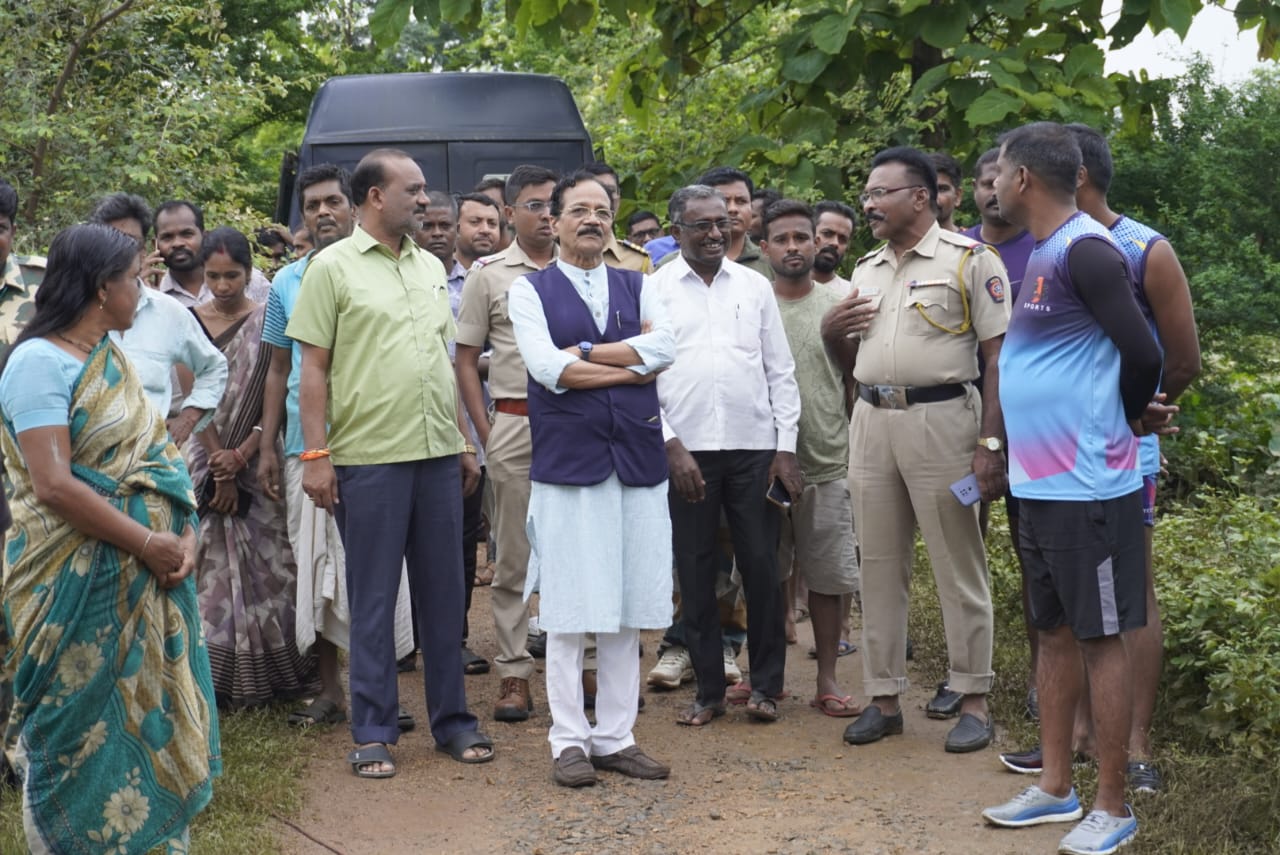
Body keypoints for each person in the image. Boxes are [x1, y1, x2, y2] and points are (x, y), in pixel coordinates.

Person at [980, 121, 1169, 855]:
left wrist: (1123, 416)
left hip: (1088, 483)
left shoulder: (1086, 249)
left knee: (1098, 637)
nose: (990, 184)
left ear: (1023, 179)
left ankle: (1112, 802)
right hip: (1041, 482)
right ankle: (1055, 786)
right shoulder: (1041, 255)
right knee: (1055, 631)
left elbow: (1145, 350)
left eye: (997, 172)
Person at [0, 223, 220, 853]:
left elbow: (160, 463)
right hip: (64, 581)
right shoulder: (37, 364)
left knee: (142, 713)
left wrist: (184, 540)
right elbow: (54, 485)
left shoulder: (110, 359)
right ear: (102, 290)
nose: (143, 289)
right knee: (72, 725)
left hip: (145, 577)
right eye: (133, 278)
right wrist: (147, 544)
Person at [289, 148, 492, 777]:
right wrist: (316, 456)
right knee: (373, 600)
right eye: (415, 189)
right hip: (368, 461)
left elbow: (440, 362)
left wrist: (462, 441)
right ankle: (373, 730)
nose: (426, 199)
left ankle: (453, 723)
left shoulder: (431, 267)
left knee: (443, 596)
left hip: (436, 455)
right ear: (376, 196)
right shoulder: (332, 268)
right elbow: (312, 369)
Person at [821, 146, 1010, 753]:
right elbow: (856, 355)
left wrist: (991, 442)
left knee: (958, 561)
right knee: (876, 563)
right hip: (872, 420)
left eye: (881, 193)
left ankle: (973, 698)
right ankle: (883, 698)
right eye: (868, 194)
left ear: (921, 198)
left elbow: (997, 359)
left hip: (943, 421)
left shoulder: (972, 261)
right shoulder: (868, 267)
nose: (869, 204)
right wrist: (833, 339)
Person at [508, 172, 676, 786]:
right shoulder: (529, 291)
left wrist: (585, 354)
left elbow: (667, 351)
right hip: (571, 466)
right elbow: (548, 369)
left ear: (612, 221)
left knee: (628, 601)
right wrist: (629, 366)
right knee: (571, 603)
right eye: (579, 209)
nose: (592, 220)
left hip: (635, 461)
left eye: (601, 211)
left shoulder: (640, 282)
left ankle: (616, 736)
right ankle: (568, 741)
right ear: (554, 220)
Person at [257, 164, 415, 727]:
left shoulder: (388, 268)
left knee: (378, 576)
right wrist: (270, 445)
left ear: (353, 207)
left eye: (331, 203)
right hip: (308, 447)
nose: (322, 213)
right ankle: (331, 692)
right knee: (316, 573)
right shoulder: (285, 283)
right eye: (311, 206)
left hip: (376, 445)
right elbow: (279, 368)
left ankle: (383, 697)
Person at [652, 184, 801, 727]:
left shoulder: (755, 286)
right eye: (702, 225)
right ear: (676, 231)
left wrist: (785, 450)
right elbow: (644, 376)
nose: (717, 233)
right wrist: (669, 443)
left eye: (723, 223)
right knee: (693, 570)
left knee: (760, 566)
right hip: (686, 452)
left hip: (754, 449)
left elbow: (779, 371)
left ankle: (766, 686)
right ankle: (709, 691)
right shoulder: (655, 289)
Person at [185, 227, 319, 708]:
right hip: (202, 457)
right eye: (214, 276)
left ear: (250, 273)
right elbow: (190, 398)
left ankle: (278, 676)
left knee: (273, 560)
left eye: (233, 276)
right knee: (204, 564)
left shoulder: (267, 320)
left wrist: (243, 455)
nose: (223, 287)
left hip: (258, 452)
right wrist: (220, 464)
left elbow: (276, 393)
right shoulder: (187, 320)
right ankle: (211, 681)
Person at [456, 164, 559, 722]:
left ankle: (582, 665)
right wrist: (486, 431)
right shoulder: (490, 275)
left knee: (574, 546)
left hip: (577, 425)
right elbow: (465, 361)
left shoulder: (582, 268)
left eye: (553, 204)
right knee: (513, 554)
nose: (547, 214)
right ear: (511, 213)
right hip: (516, 423)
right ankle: (515, 673)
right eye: (536, 205)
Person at [760, 199, 861, 717]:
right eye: (783, 239)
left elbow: (855, 377)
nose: (795, 247)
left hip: (826, 453)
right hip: (762, 461)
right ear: (765, 247)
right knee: (767, 570)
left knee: (827, 574)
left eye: (804, 237)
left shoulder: (842, 300)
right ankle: (769, 677)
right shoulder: (752, 301)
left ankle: (826, 678)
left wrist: (836, 335)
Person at [417, 190, 491, 677]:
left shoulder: (479, 281)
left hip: (476, 433)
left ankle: (456, 637)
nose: (439, 233)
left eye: (446, 225)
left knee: (462, 542)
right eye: (432, 225)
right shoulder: (408, 277)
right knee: (413, 543)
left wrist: (476, 363)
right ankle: (410, 640)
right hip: (418, 431)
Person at [90, 192, 228, 448]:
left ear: (144, 250)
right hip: (84, 468)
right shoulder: (74, 312)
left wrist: (188, 418)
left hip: (151, 466)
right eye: (110, 241)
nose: (119, 251)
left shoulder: (168, 311)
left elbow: (214, 367)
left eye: (129, 242)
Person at [147, 201, 270, 306]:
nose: (178, 243)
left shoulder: (251, 281)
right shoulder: (153, 295)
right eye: (167, 237)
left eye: (187, 234)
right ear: (155, 245)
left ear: (205, 236)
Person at [658, 167, 774, 279]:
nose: (733, 209)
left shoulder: (772, 262)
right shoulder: (667, 268)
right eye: (725, 201)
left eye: (741, 201)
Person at [581, 162, 653, 273]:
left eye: (610, 191)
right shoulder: (560, 256)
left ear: (618, 200)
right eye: (597, 190)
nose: (605, 197)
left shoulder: (638, 261)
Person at [812, 200, 857, 291]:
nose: (835, 243)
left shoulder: (851, 295)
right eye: (827, 234)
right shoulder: (779, 290)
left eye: (843, 239)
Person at [454, 192, 503, 269]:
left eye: (492, 223)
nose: (485, 230)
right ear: (455, 227)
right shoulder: (437, 273)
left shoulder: (512, 276)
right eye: (475, 222)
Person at [474, 176, 513, 252]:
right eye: (480, 205)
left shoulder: (526, 253)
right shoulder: (472, 256)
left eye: (493, 204)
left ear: (508, 212)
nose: (485, 211)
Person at [930, 152, 965, 232]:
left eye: (942, 189)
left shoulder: (972, 243)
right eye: (927, 189)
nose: (934, 197)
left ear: (957, 196)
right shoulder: (901, 243)